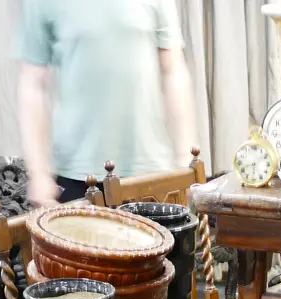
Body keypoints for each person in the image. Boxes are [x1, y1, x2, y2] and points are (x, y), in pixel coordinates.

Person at [16, 0, 197, 207]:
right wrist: (38, 172)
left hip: (151, 172)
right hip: (77, 174)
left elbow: (173, 71)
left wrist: (186, 159)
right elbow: (32, 84)